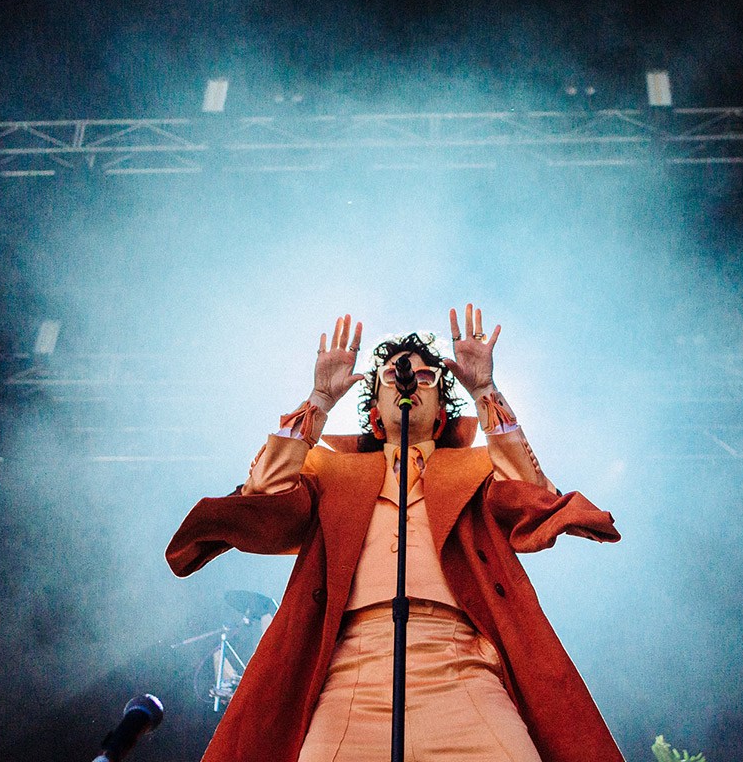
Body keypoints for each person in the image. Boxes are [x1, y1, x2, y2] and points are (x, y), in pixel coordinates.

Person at [167, 305, 624, 762]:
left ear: (442, 412)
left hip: (463, 668)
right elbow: (265, 498)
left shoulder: (477, 468)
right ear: (374, 411)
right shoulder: (330, 473)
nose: (411, 382)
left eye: (427, 378)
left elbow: (529, 494)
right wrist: (319, 400)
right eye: (393, 375)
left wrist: (485, 390)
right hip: (352, 673)